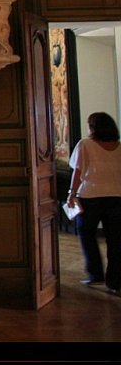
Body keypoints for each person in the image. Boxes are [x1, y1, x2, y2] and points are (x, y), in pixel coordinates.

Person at [67, 111, 121, 295]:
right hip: (117, 197)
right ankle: (115, 281)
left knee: (86, 233)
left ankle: (95, 273)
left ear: (93, 128)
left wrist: (72, 193)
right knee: (115, 240)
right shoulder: (120, 147)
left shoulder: (85, 144)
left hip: (90, 196)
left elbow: (78, 172)